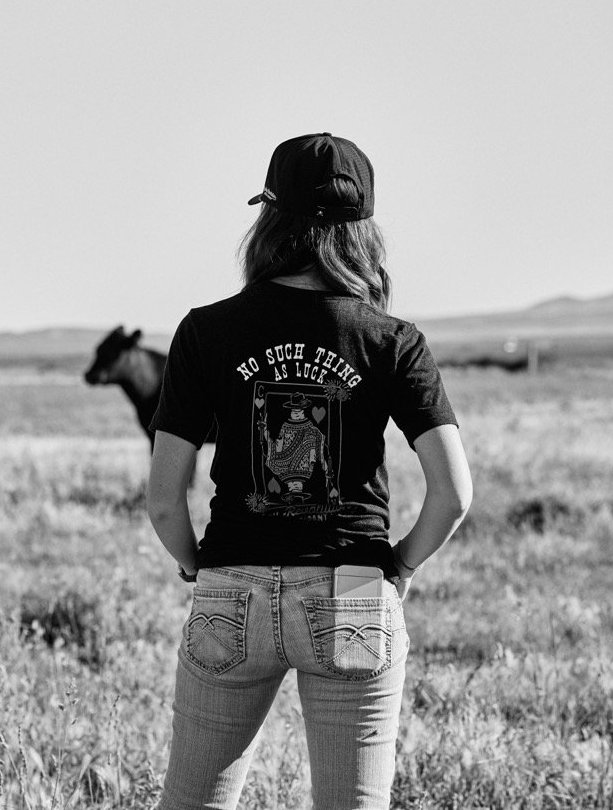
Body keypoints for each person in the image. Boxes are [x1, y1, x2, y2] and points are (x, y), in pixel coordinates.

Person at [146, 133, 472, 810]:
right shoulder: (392, 339)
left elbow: (164, 500)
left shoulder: (205, 331)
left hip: (231, 583)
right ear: (364, 231)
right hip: (354, 583)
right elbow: (454, 494)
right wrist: (399, 570)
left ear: (268, 218)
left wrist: (195, 567)